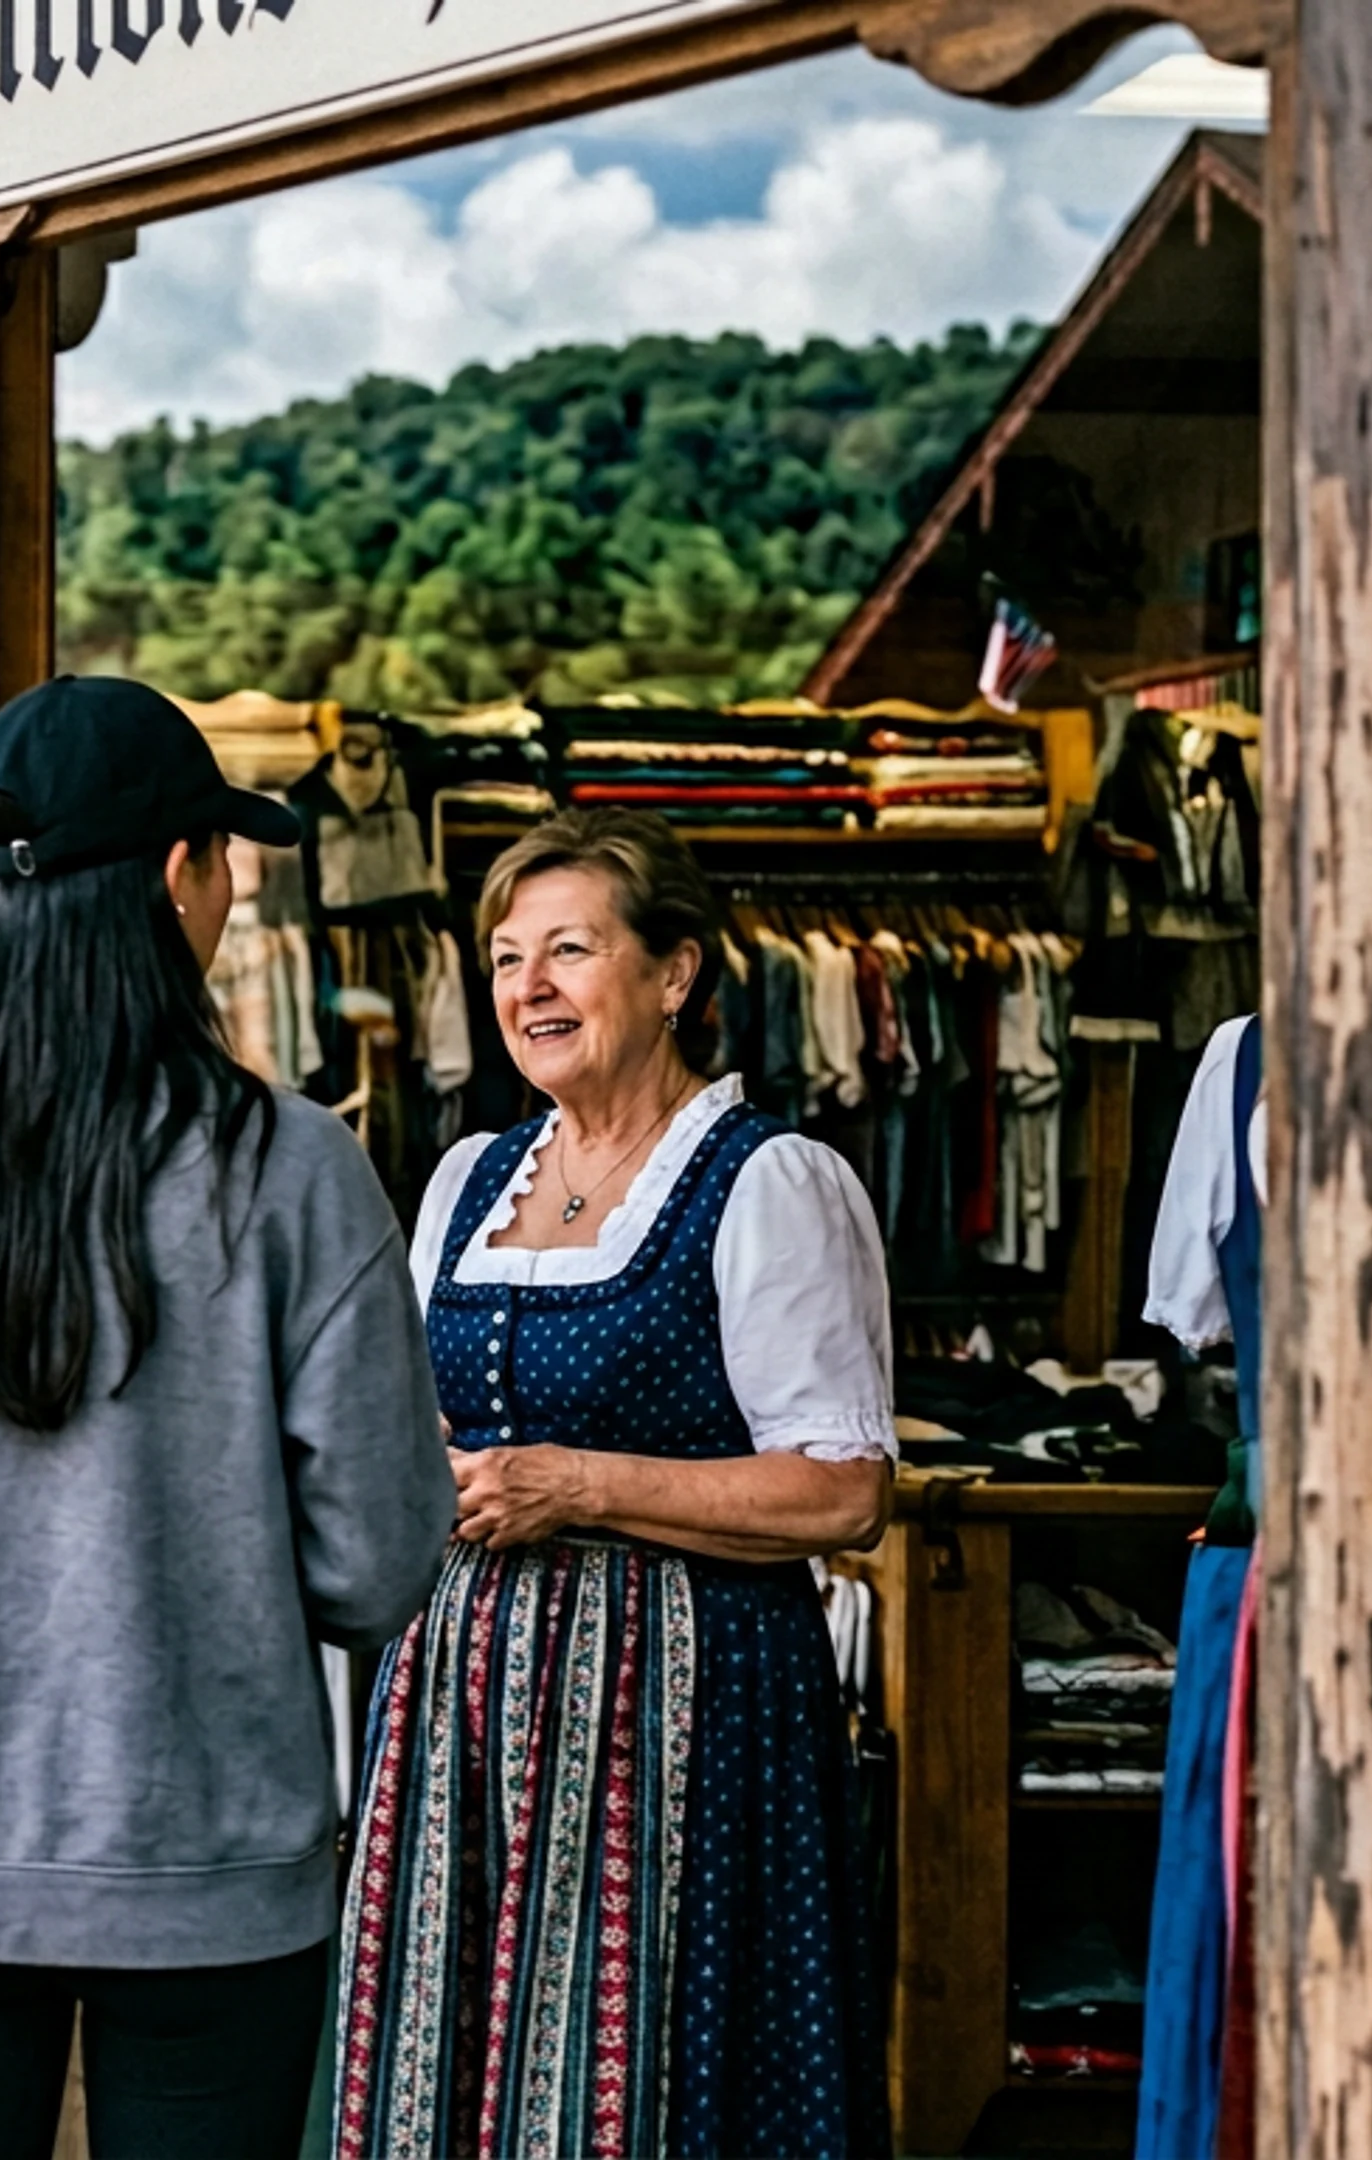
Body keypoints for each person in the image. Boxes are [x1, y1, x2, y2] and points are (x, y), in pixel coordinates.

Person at [0, 677, 454, 2158]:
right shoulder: (296, 1171)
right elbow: (381, 1560)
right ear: (182, 876)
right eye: (230, 862)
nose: (236, 894)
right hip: (211, 1864)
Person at [329, 808, 895, 2158]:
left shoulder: (766, 1185)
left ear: (675, 972)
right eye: (509, 956)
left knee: (641, 2074)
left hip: (679, 1716)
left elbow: (843, 1494)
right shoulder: (470, 1178)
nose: (527, 989)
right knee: (459, 2054)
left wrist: (577, 1482)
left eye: (570, 951)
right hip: (463, 1698)